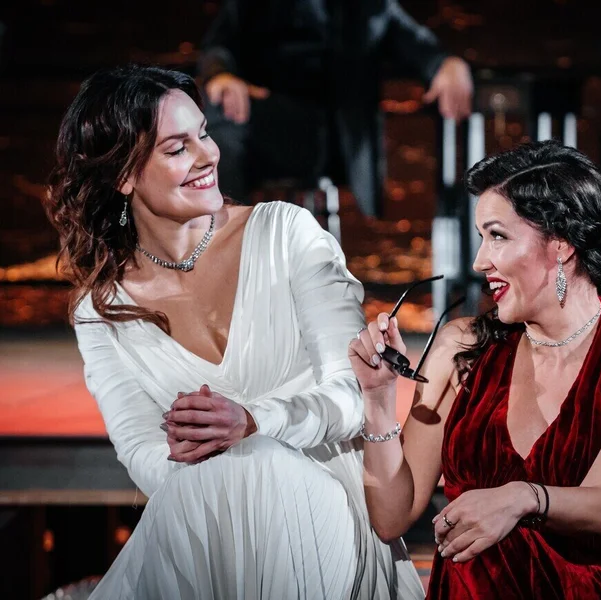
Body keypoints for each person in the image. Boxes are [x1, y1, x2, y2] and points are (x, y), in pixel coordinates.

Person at [43, 64, 424, 599]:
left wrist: (252, 423)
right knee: (234, 475)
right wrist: (210, 460)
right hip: (209, 525)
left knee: (258, 461)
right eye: (177, 148)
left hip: (329, 517)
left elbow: (351, 397)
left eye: (204, 133)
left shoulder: (287, 234)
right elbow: (143, 453)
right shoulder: (100, 309)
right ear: (123, 176)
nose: (208, 156)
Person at [348, 141, 601, 599]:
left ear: (561, 243)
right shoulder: (463, 348)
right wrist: (377, 399)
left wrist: (520, 497)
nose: (479, 262)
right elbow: (393, 517)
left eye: (498, 236)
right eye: (481, 237)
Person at [197, 0, 474, 215]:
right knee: (218, 117)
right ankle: (226, 241)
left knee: (221, 126)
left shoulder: (370, 5)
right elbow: (218, 47)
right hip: (267, 123)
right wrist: (222, 75)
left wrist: (446, 64)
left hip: (334, 139)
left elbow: (414, 41)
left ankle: (227, 242)